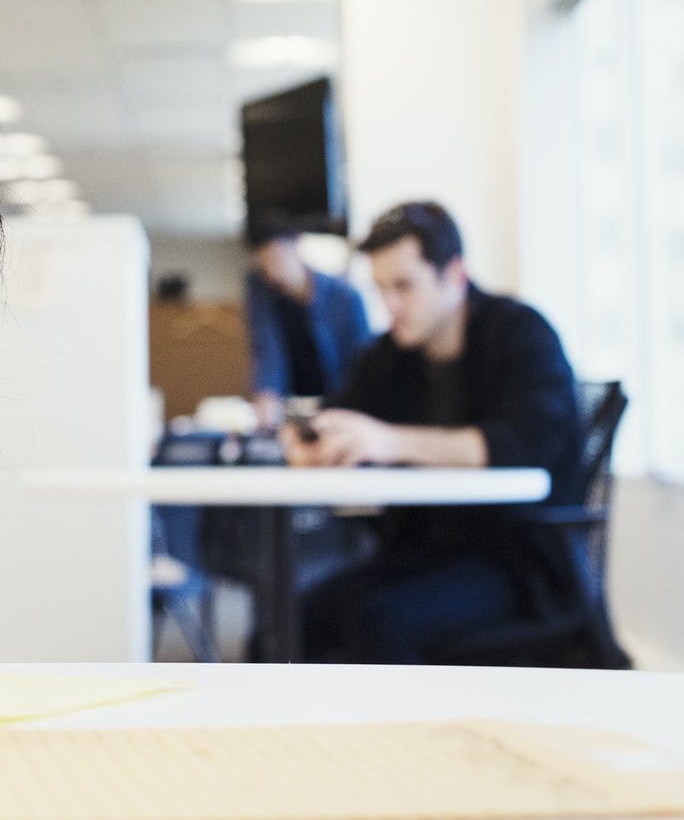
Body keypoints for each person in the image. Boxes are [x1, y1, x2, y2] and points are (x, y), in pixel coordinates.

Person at [285, 202, 589, 663]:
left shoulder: (522, 334)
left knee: (380, 620)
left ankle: (408, 737)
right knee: (291, 620)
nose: (390, 306)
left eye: (404, 286)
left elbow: (526, 442)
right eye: (382, 289)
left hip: (516, 561)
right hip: (420, 552)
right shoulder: (389, 356)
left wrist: (389, 442)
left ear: (455, 275)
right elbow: (337, 416)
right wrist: (308, 443)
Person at [244, 217, 372, 401]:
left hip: (339, 402)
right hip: (290, 406)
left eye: (278, 259)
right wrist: (266, 395)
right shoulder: (263, 292)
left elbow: (361, 365)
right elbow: (265, 351)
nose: (273, 273)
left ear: (297, 244)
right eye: (264, 265)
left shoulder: (345, 296)